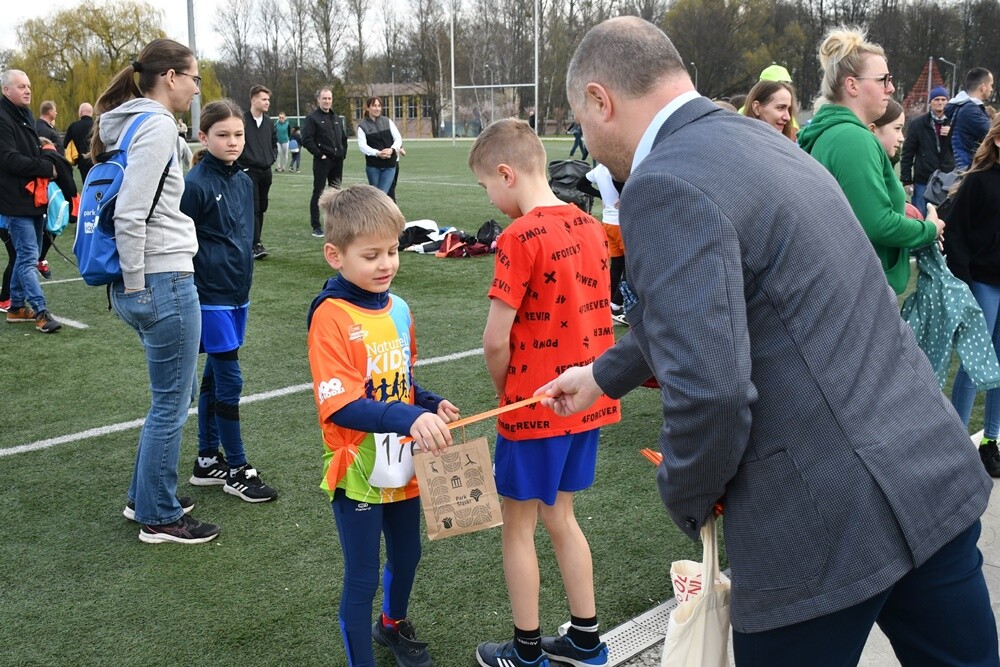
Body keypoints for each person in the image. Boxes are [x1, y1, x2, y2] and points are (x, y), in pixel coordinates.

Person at [540, 16, 998, 666]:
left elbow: (711, 390)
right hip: (925, 467)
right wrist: (601, 375)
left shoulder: (662, 181)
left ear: (600, 99)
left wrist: (686, 491)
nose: (585, 140)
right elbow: (732, 300)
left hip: (820, 524)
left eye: (581, 122)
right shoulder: (765, 140)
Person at [469, 119, 620, 667]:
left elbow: (495, 342)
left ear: (506, 173)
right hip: (588, 398)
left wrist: (507, 396)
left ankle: (527, 650)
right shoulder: (590, 225)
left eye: (487, 186)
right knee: (563, 517)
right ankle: (586, 639)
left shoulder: (517, 236)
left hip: (536, 405)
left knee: (518, 527)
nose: (490, 197)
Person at [306, 184, 460, 667]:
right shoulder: (330, 316)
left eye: (392, 251)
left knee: (408, 554)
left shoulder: (400, 308)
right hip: (358, 469)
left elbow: (401, 382)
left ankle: (392, 624)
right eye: (371, 255)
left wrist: (429, 403)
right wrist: (410, 417)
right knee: (362, 577)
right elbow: (342, 406)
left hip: (403, 461)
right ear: (335, 255)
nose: (386, 264)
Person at [91, 39, 219, 544]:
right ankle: (159, 516)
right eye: (193, 77)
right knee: (170, 403)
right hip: (161, 278)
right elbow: (130, 211)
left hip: (151, 279)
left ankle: (143, 496)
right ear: (170, 77)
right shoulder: (158, 124)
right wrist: (138, 283)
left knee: (175, 394)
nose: (196, 88)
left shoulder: (132, 122)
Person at [181, 99, 279, 503]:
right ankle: (237, 469)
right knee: (230, 377)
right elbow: (180, 243)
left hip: (238, 291)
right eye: (223, 135)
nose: (233, 141)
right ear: (203, 137)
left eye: (238, 134)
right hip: (210, 295)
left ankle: (207, 460)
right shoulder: (194, 184)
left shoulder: (243, 181)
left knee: (215, 376)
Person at [797, 29, 942, 295]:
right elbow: (877, 224)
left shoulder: (834, 133)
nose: (891, 88)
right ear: (852, 86)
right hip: (861, 290)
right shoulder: (853, 138)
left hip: (845, 284)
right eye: (883, 79)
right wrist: (929, 229)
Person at [943, 114, 1000, 478]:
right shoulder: (978, 181)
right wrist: (963, 280)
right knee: (974, 363)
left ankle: (990, 442)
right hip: (981, 282)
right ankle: (957, 444)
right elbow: (956, 233)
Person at [0, 69, 61, 333]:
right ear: (6, 90)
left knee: (28, 255)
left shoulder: (23, 114)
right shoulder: (3, 118)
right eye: (21, 86)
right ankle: (41, 312)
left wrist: (45, 155)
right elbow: (9, 159)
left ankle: (15, 308)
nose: (27, 90)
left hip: (32, 198)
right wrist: (45, 167)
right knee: (27, 259)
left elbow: (29, 151)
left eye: (29, 86)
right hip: (15, 200)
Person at [900, 86, 954, 217]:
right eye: (936, 99)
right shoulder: (918, 124)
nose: (940, 102)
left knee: (948, 217)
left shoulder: (955, 123)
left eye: (943, 99)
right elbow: (907, 153)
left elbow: (963, 149)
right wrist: (907, 180)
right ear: (930, 102)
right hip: (923, 179)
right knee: (919, 216)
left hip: (948, 178)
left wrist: (952, 133)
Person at [238, 85, 277, 260]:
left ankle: (256, 242)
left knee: (262, 207)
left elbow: (273, 143)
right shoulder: (242, 120)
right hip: (249, 171)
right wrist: (244, 163)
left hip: (266, 171)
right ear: (254, 100)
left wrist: (272, 157)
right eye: (264, 99)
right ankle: (255, 244)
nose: (267, 102)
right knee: (253, 207)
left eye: (268, 99)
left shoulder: (269, 122)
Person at [302, 88, 348, 237]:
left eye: (329, 98)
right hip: (322, 161)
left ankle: (335, 224)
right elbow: (307, 139)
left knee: (336, 193)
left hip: (337, 161)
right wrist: (319, 154)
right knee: (319, 192)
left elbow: (343, 137)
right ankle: (316, 226)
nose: (327, 101)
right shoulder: (312, 118)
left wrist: (343, 153)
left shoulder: (336, 117)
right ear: (318, 100)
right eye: (324, 98)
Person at [947, 67, 994, 171]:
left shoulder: (965, 106)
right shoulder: (970, 110)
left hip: (968, 166)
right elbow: (993, 134)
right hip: (968, 168)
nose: (992, 89)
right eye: (991, 85)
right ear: (983, 87)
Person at [357, 97, 401, 195]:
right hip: (373, 166)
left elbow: (398, 138)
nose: (377, 108)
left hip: (389, 165)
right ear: (368, 108)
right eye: (374, 106)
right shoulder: (362, 126)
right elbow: (362, 146)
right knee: (375, 195)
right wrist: (377, 153)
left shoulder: (387, 121)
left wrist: (392, 149)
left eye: (379, 106)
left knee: (382, 194)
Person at [64, 102, 94, 182]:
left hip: (82, 162)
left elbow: (65, 144)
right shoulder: (97, 125)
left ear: (80, 112)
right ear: (91, 112)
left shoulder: (73, 126)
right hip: (96, 160)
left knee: (86, 184)